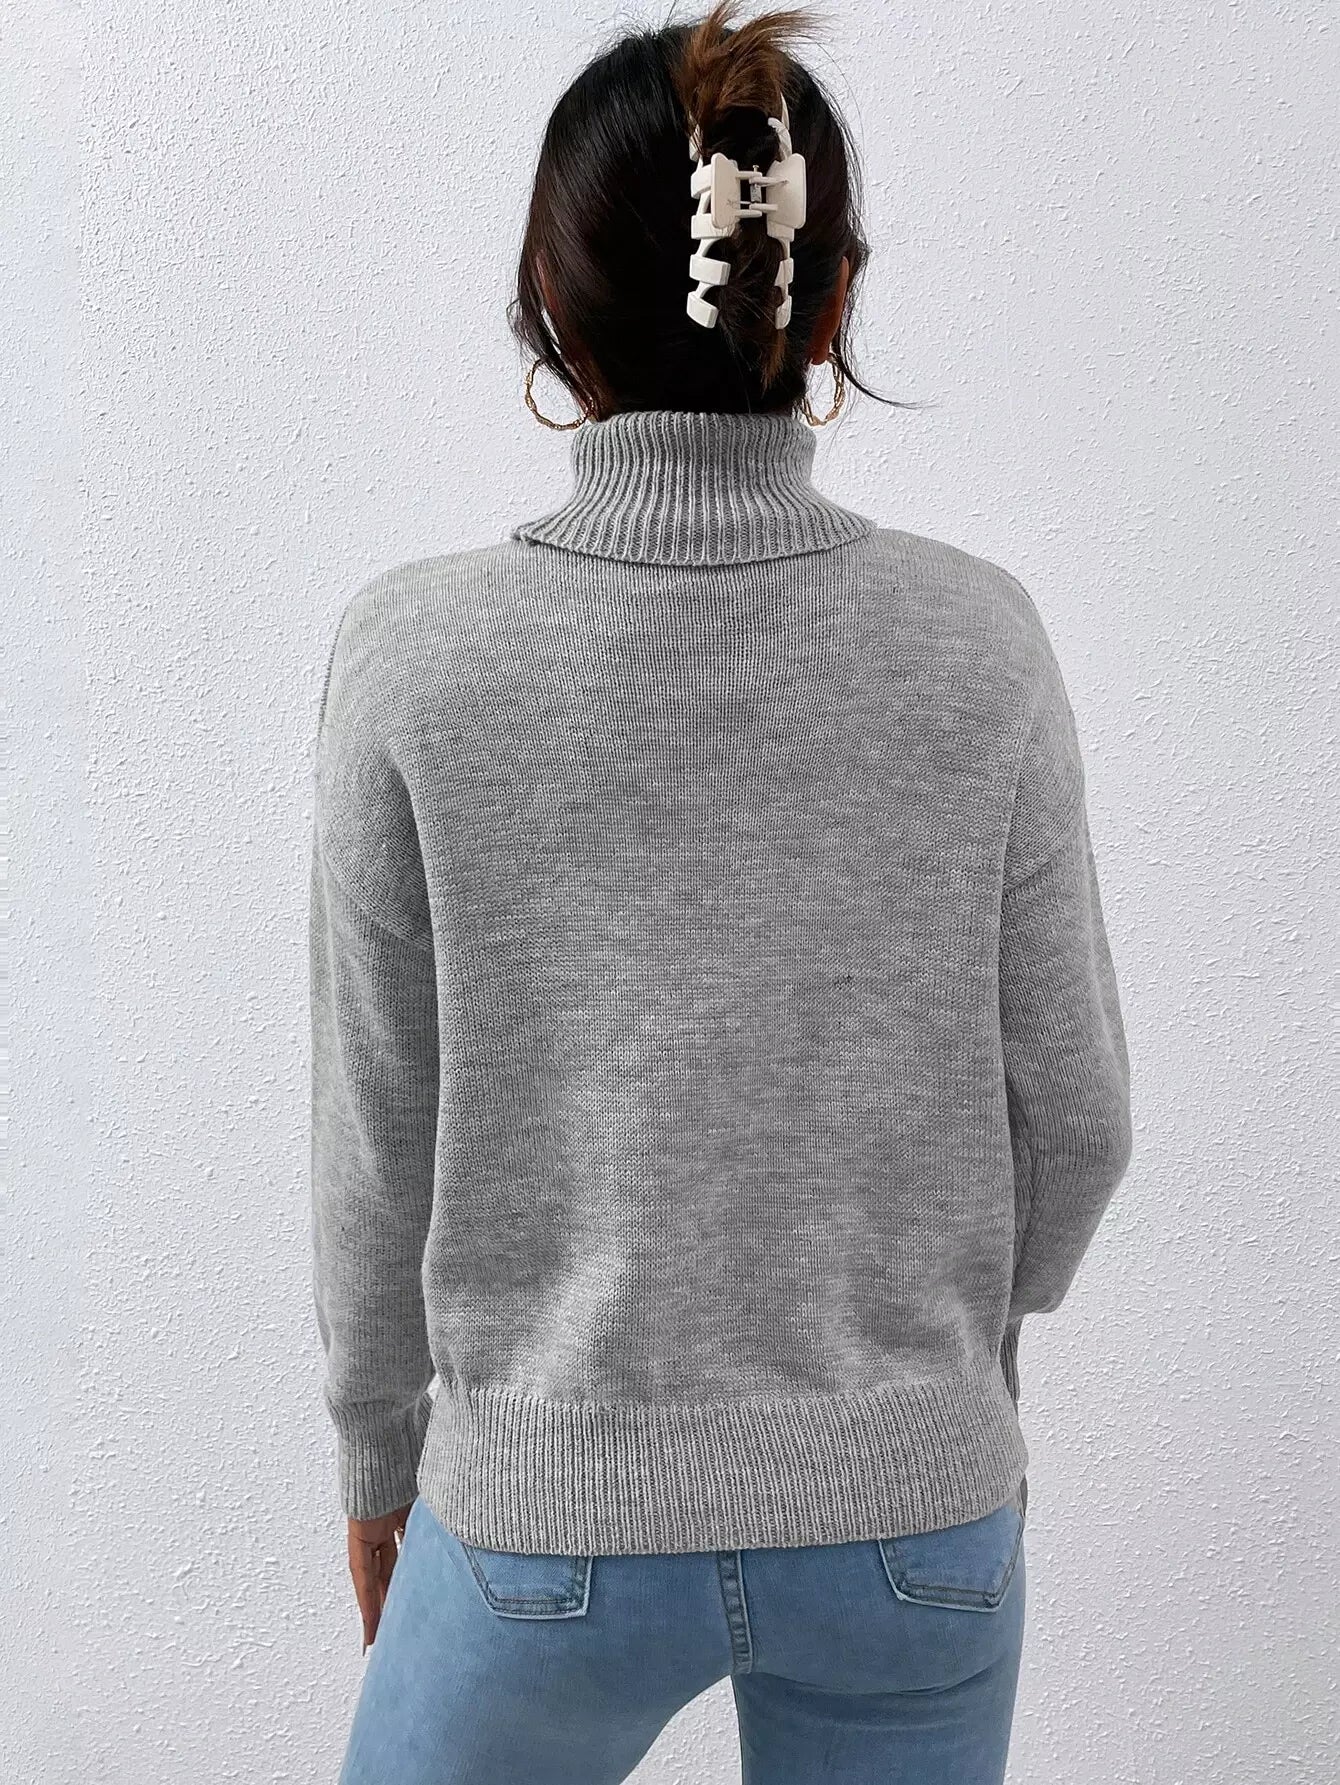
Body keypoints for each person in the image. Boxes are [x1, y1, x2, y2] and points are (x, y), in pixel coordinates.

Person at [307, 4, 1134, 1780]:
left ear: (547, 308)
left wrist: (379, 1458)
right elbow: (1079, 1126)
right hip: (916, 1526)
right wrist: (932, 1376)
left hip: (542, 1522)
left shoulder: (412, 658)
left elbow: (379, 1140)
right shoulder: (982, 643)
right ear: (827, 304)